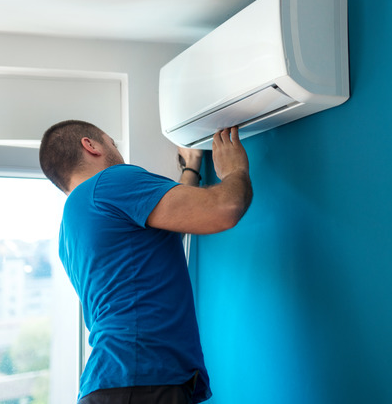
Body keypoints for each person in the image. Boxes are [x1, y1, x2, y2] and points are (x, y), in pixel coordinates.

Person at [39, 120, 252, 404]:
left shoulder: (72, 227)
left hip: (116, 383)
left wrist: (190, 167)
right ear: (90, 145)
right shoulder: (110, 182)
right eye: (111, 141)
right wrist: (234, 169)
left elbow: (173, 219)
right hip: (141, 380)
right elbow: (226, 208)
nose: (117, 149)